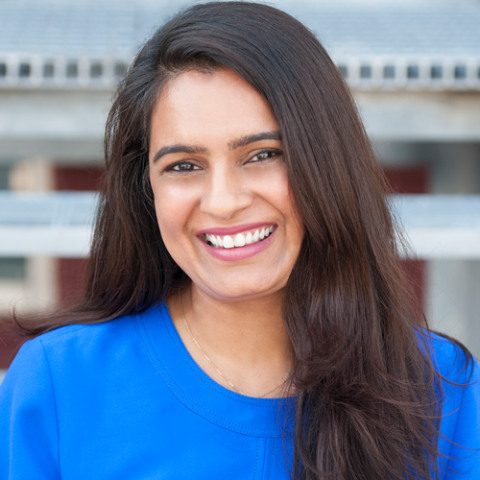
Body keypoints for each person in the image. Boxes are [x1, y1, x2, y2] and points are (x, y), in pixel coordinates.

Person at [0, 2, 479, 479]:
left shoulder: (442, 389)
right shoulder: (58, 386)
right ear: (146, 189)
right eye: (183, 166)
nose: (224, 201)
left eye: (262, 154)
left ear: (327, 163)